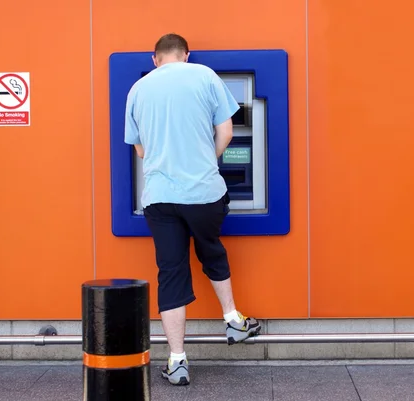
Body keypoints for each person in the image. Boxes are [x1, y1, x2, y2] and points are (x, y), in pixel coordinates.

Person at [123, 33, 261, 386]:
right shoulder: (205, 75)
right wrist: (205, 160)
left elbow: (140, 151)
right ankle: (233, 322)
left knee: (171, 271)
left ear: (155, 59)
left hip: (160, 197)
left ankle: (177, 361)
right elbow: (227, 131)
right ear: (186, 54)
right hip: (203, 192)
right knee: (211, 250)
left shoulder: (138, 90)